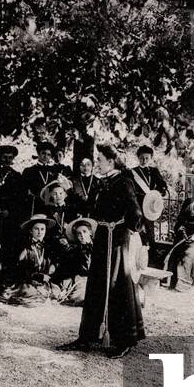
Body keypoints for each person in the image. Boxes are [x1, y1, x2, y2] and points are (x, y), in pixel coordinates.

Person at [62, 144, 145, 358]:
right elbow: (87, 207)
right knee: (97, 285)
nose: (96, 163)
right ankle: (87, 337)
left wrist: (124, 231)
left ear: (111, 161)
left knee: (118, 286)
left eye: (99, 159)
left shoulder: (124, 182)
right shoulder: (101, 183)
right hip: (101, 238)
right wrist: (70, 190)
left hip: (116, 240)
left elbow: (135, 213)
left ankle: (124, 340)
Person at [129, 145, 168, 249]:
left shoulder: (154, 171)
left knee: (150, 228)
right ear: (138, 157)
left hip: (149, 203)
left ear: (151, 158)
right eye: (142, 158)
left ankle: (151, 252)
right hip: (136, 203)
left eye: (147, 158)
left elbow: (162, 185)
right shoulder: (132, 172)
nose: (144, 160)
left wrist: (158, 193)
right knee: (137, 228)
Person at [23, 141, 72, 216]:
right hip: (36, 204)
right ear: (38, 153)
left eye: (48, 154)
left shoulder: (55, 170)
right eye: (43, 153)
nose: (46, 156)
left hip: (51, 205)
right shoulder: (29, 171)